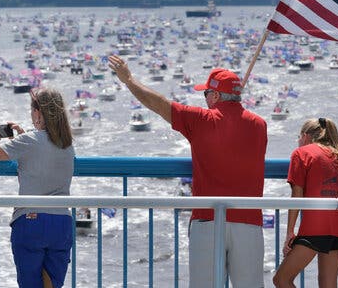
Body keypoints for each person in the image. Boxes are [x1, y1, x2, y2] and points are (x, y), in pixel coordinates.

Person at [108, 55, 267, 288]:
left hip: (208, 220)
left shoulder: (200, 120)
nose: (204, 99)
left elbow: (158, 104)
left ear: (215, 95)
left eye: (206, 94)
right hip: (249, 221)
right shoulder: (260, 125)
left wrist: (129, 80)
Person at [0, 87, 75, 288]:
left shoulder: (30, 141)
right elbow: (41, 152)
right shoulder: (67, 144)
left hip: (30, 221)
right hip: (61, 223)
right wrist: (22, 135)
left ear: (38, 112)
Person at [273, 118, 338, 288]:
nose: (298, 141)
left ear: (306, 136)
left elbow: (297, 194)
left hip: (316, 226)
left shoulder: (301, 153)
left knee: (281, 279)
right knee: (328, 284)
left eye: (299, 137)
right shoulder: (337, 154)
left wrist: (289, 232)